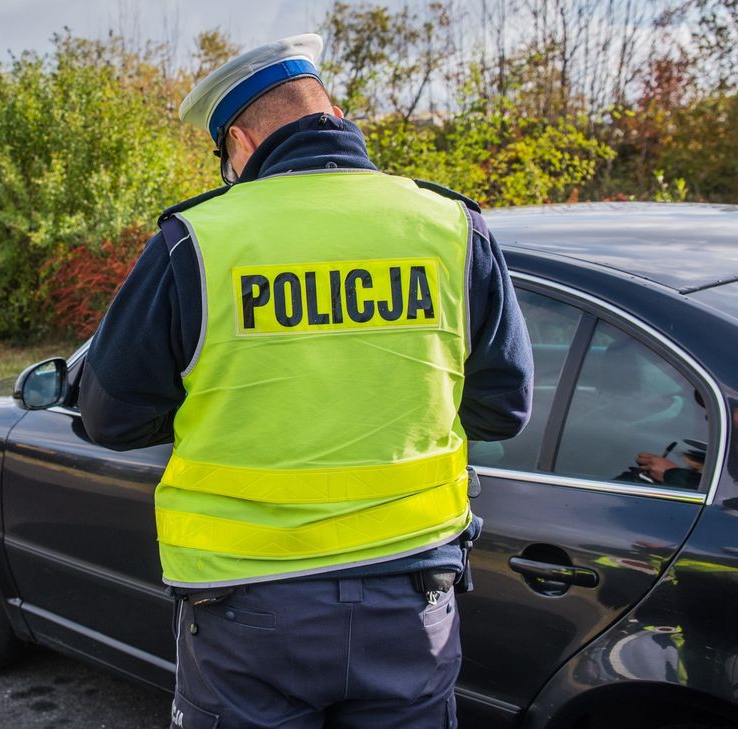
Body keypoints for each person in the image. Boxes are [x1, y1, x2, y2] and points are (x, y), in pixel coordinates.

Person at [78, 34, 534, 729]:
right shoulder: (451, 226)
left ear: (238, 141)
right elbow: (505, 409)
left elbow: (110, 416)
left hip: (247, 611)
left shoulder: (195, 241)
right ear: (337, 112)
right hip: (412, 602)